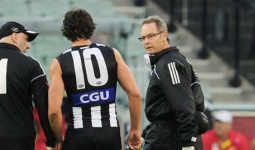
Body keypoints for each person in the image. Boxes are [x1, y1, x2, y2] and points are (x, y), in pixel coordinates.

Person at [48, 8, 143, 150]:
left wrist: (59, 138)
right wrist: (135, 130)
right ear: (91, 28)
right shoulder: (112, 53)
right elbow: (135, 94)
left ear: (66, 31)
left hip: (78, 135)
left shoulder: (59, 62)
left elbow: (54, 112)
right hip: (109, 134)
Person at [140, 15, 205, 150]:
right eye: (143, 38)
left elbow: (184, 106)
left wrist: (188, 142)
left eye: (151, 36)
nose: (146, 41)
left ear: (164, 35)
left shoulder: (169, 64)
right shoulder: (171, 61)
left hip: (173, 138)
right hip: (169, 134)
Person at [0, 21, 56, 150]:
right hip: (19, 140)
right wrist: (51, 139)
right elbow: (43, 105)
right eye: (26, 39)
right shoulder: (31, 64)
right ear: (14, 36)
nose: (28, 46)